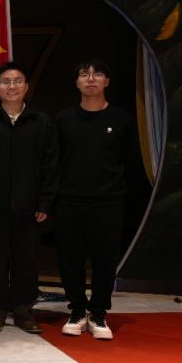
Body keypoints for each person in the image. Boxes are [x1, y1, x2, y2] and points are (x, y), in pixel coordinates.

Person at [0, 61, 58, 334]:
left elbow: (51, 165)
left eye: (18, 81)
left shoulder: (41, 121)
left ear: (26, 86)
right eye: (6, 82)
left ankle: (23, 311)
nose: (12, 86)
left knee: (26, 260)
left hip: (30, 206)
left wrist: (45, 202)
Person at [56, 59, 133, 341]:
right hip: (69, 201)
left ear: (107, 81)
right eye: (84, 74)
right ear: (76, 82)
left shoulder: (122, 119)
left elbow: (130, 162)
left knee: (105, 260)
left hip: (109, 202)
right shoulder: (63, 119)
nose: (91, 79)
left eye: (97, 74)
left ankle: (98, 313)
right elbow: (53, 163)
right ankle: (77, 311)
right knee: (71, 259)